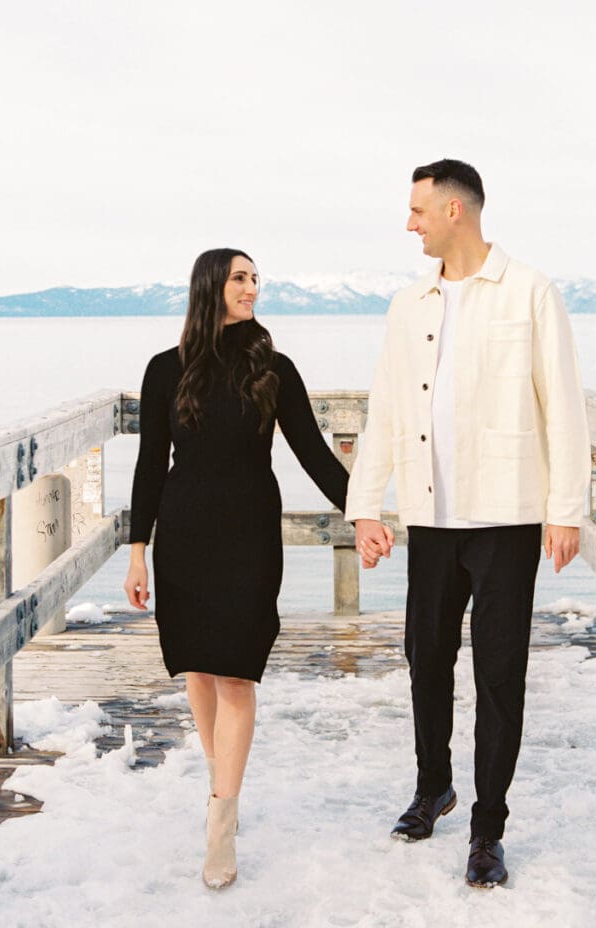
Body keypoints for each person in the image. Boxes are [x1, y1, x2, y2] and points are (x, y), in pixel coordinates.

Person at [345, 159, 590, 888]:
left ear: (456, 210)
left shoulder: (529, 293)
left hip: (509, 514)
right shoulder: (408, 304)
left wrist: (566, 510)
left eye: (418, 210)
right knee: (426, 659)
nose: (409, 223)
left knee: (500, 674)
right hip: (432, 517)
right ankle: (433, 787)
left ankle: (488, 829)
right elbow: (385, 410)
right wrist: (366, 506)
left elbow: (564, 406)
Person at [124, 248, 349, 890]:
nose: (253, 288)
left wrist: (361, 512)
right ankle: (226, 790)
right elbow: (147, 465)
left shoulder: (272, 367)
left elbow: (311, 451)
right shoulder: (166, 369)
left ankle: (219, 830)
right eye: (241, 278)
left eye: (256, 279)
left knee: (236, 676)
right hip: (186, 532)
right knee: (197, 664)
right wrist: (138, 549)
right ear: (210, 288)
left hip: (249, 533)